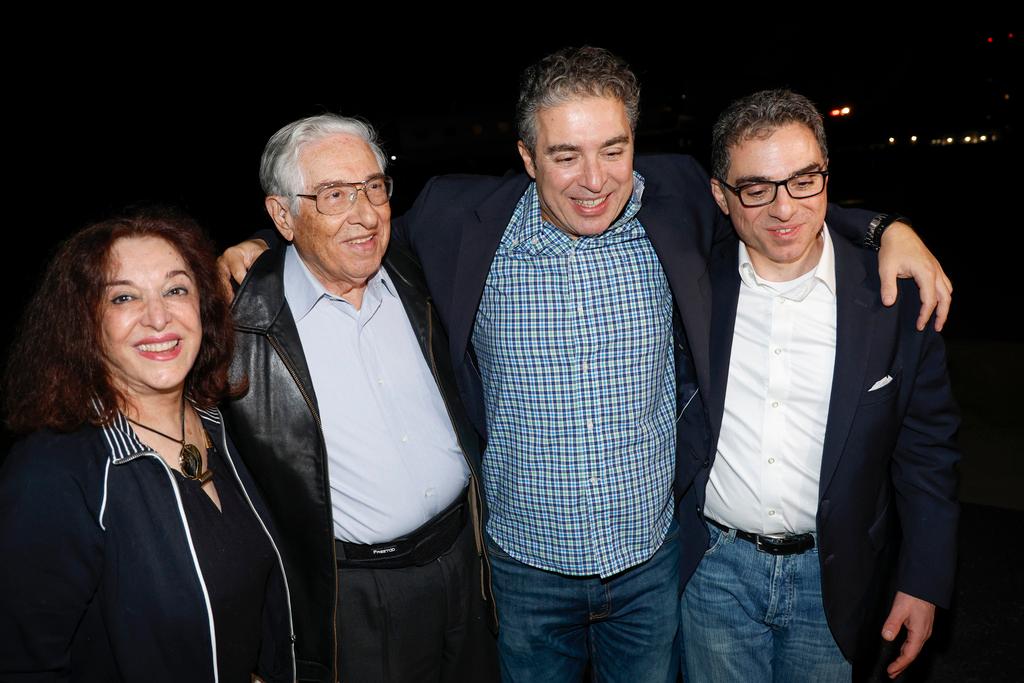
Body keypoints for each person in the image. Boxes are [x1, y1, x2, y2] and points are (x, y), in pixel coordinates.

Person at [219, 47, 952, 682]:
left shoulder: (677, 212)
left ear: (638, 141)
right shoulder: (459, 222)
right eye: (565, 155)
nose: (594, 178)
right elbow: (354, 228)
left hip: (653, 565)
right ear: (527, 156)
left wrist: (887, 226)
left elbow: (776, 203)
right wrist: (264, 243)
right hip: (522, 569)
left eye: (613, 148)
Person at [677, 90, 960, 682]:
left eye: (804, 181)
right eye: (756, 188)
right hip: (713, 570)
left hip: (837, 575)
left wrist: (923, 580)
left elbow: (928, 453)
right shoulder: (692, 281)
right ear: (719, 195)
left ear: (826, 178)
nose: (785, 209)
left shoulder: (896, 298)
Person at [222, 114, 498, 683]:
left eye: (374, 187)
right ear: (283, 215)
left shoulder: (418, 270)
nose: (365, 213)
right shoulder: (241, 327)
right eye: (334, 194)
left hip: (466, 561)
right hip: (356, 598)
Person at [0, 208, 295, 682]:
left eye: (176, 289)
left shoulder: (223, 425)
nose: (158, 317)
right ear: (83, 322)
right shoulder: (54, 472)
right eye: (123, 298)